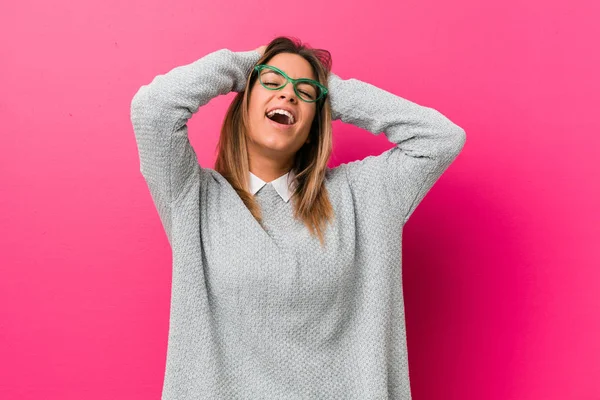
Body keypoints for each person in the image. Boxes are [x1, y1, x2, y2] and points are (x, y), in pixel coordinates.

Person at [130, 36, 466, 400]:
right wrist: (242, 65)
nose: (288, 95)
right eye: (272, 83)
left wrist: (327, 90)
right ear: (242, 105)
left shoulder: (364, 196)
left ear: (313, 127)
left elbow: (440, 139)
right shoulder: (193, 199)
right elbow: (153, 111)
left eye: (303, 92)